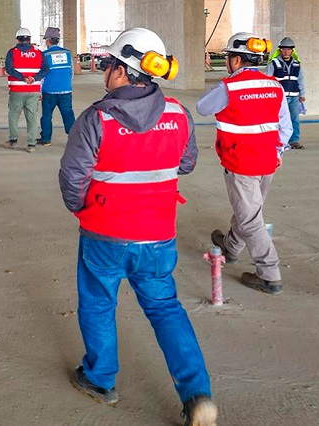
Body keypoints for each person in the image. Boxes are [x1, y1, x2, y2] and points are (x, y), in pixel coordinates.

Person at [58, 27, 217, 426]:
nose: (104, 70)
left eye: (109, 63)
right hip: (158, 235)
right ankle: (197, 396)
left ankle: (99, 379)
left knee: (97, 304)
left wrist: (85, 210)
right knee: (165, 308)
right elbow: (186, 163)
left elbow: (72, 178)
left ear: (123, 70)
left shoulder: (97, 118)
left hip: (104, 234)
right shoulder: (178, 114)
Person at [197, 32, 293, 295]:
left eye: (228, 58)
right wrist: (278, 151)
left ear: (235, 60)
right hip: (267, 162)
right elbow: (286, 126)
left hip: (240, 164)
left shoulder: (229, 88)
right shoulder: (274, 86)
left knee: (250, 218)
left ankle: (269, 274)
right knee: (249, 209)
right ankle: (230, 247)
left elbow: (202, 108)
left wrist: (225, 85)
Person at [3, 27, 44, 153]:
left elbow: (9, 69)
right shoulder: (38, 52)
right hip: (34, 90)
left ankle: (13, 141)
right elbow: (45, 69)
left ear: (18, 39)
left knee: (14, 115)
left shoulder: (12, 52)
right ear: (29, 39)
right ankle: (31, 144)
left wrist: (22, 78)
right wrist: (34, 78)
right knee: (32, 117)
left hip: (17, 90)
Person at [36, 27, 75, 147]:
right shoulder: (67, 53)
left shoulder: (45, 55)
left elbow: (41, 76)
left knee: (47, 116)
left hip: (49, 91)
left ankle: (46, 139)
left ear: (47, 41)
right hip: (66, 91)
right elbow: (71, 73)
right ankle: (74, 139)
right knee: (68, 114)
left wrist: (39, 91)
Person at [265, 36, 305, 149]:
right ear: (280, 50)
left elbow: (300, 80)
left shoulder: (296, 64)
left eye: (288, 49)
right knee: (278, 119)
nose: (286, 51)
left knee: (294, 119)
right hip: (279, 98)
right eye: (283, 49)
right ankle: (278, 140)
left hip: (294, 96)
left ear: (292, 51)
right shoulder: (274, 63)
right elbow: (267, 80)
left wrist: (302, 94)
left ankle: (294, 141)